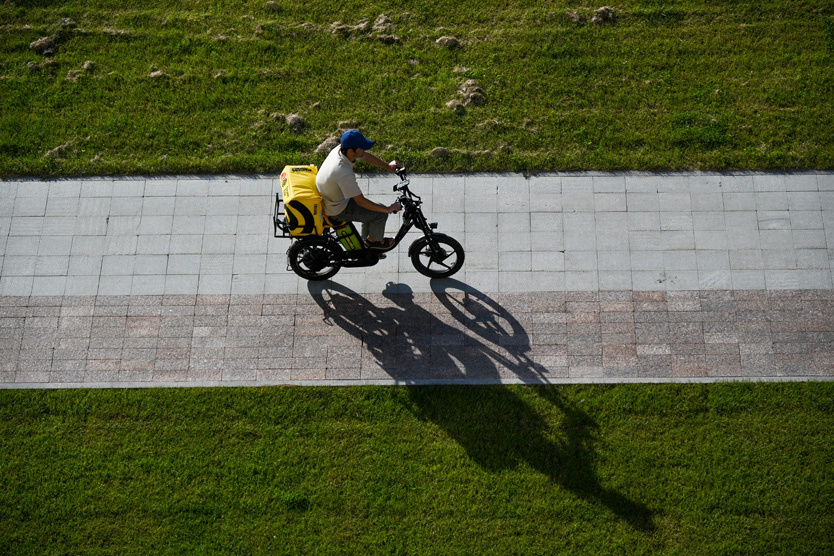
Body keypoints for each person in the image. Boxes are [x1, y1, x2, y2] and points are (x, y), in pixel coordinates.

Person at [316, 129, 401, 250]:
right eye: (361, 148)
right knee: (380, 214)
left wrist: (387, 166)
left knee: (374, 210)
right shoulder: (342, 172)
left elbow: (364, 156)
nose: (364, 150)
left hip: (332, 198)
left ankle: (367, 244)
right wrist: (388, 209)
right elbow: (360, 201)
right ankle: (372, 243)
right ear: (352, 150)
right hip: (337, 209)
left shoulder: (341, 149)